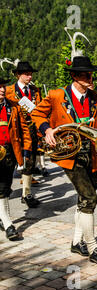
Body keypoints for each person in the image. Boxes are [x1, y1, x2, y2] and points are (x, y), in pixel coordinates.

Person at [31, 56, 97, 264]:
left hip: (92, 153)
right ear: (74, 76)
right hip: (70, 154)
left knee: (84, 198)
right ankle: (92, 247)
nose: (90, 77)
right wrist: (47, 129)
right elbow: (36, 114)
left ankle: (76, 242)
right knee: (89, 198)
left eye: (90, 74)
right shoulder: (56, 95)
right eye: (84, 75)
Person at [5, 61, 42, 208]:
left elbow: (39, 108)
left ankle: (26, 193)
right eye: (26, 74)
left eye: (31, 73)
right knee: (9, 159)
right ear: (18, 75)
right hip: (14, 129)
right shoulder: (8, 90)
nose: (29, 76)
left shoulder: (35, 90)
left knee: (30, 160)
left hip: (31, 129)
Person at [0, 77, 32, 240]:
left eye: (3, 86)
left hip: (9, 152)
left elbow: (24, 130)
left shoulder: (13, 106)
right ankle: (8, 224)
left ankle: (4, 218)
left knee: (4, 187)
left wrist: (26, 150)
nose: (2, 90)